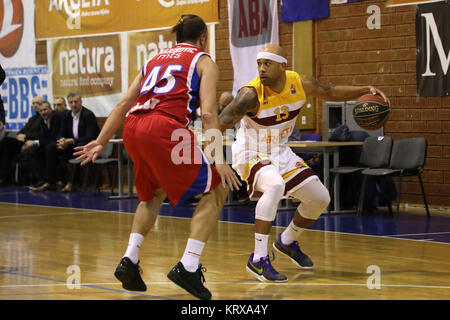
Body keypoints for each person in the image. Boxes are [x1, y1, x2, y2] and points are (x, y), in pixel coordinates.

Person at [74, 15, 241, 300]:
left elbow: (125, 103)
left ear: (177, 38)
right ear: (203, 38)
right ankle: (188, 266)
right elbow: (210, 113)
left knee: (152, 194)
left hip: (133, 128)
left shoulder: (153, 60)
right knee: (217, 189)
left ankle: (130, 259)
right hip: (164, 128)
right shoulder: (204, 61)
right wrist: (220, 161)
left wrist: (101, 141)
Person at [219, 44, 389, 282]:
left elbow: (331, 92)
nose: (261, 69)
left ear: (283, 66)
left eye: (267, 64)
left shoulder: (300, 83)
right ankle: (258, 259)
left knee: (320, 198)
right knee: (275, 186)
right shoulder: (250, 95)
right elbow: (219, 123)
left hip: (279, 151)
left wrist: (365, 89)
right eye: (259, 64)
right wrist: (218, 159)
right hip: (250, 152)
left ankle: (287, 241)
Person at [32, 92, 100, 192]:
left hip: (86, 145)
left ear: (81, 102)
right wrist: (62, 140)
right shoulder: (67, 115)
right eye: (71, 102)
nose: (73, 104)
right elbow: (61, 133)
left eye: (76, 102)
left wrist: (72, 140)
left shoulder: (88, 115)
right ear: (68, 104)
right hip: (70, 145)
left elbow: (90, 136)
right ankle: (51, 182)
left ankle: (72, 183)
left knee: (79, 148)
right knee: (50, 147)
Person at [24, 101, 63, 189]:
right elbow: (44, 137)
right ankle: (41, 180)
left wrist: (35, 142)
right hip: (50, 144)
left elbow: (54, 138)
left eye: (45, 110)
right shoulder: (42, 120)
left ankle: (50, 181)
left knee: (49, 148)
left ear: (51, 109)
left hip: (61, 144)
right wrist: (34, 143)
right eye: (41, 111)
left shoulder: (56, 118)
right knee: (33, 151)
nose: (43, 112)